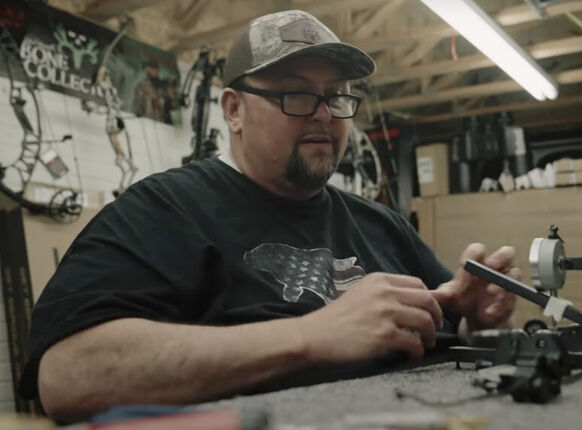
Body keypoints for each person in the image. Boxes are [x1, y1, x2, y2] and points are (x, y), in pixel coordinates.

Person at [22, 10, 519, 421]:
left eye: (336, 96)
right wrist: (310, 335)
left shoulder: (382, 226)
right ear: (234, 110)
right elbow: (66, 375)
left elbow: (447, 344)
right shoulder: (163, 212)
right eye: (298, 94)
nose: (324, 113)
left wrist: (476, 323)